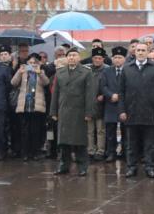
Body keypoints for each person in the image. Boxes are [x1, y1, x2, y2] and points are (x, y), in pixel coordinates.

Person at [119, 43, 154, 178]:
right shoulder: (127, 68)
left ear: (147, 52)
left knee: (149, 143)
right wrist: (122, 110)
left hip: (150, 112)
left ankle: (149, 167)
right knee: (131, 143)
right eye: (138, 50)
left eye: (143, 50)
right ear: (134, 52)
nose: (140, 52)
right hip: (131, 112)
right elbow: (121, 91)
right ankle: (131, 167)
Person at [50, 48, 95, 176]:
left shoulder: (86, 72)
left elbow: (90, 94)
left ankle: (82, 166)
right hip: (64, 110)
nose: (71, 57)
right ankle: (64, 165)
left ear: (79, 58)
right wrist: (53, 111)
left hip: (79, 111)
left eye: (74, 55)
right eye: (69, 55)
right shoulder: (60, 72)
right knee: (63, 141)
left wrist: (89, 112)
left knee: (80, 141)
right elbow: (56, 94)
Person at [11, 53, 50, 161]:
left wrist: (40, 73)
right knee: (24, 131)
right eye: (30, 63)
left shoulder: (41, 72)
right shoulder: (23, 72)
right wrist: (19, 71)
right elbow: (13, 83)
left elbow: (46, 83)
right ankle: (25, 153)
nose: (32, 65)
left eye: (34, 63)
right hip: (24, 105)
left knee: (35, 130)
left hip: (36, 105)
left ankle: (35, 152)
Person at [101, 46, 127, 162]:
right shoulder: (106, 71)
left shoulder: (129, 70)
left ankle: (125, 152)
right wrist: (111, 95)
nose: (117, 60)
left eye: (120, 57)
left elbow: (132, 87)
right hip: (110, 104)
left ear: (124, 59)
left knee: (125, 130)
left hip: (124, 105)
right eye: (115, 57)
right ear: (112, 58)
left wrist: (119, 96)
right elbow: (103, 86)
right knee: (110, 131)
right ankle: (111, 152)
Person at [86, 47, 108, 161]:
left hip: (102, 105)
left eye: (100, 58)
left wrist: (104, 95)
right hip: (89, 103)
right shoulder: (87, 70)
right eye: (95, 58)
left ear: (103, 59)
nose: (97, 60)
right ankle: (90, 150)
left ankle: (100, 151)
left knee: (100, 130)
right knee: (89, 130)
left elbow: (111, 86)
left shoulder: (108, 70)